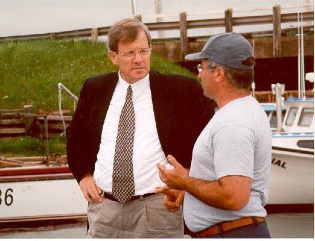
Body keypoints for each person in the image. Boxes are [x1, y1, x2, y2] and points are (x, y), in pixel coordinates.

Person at [66, 17, 215, 238]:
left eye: (143, 51)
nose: (138, 60)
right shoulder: (94, 88)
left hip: (158, 207)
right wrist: (84, 175)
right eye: (129, 53)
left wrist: (188, 178)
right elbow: (76, 136)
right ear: (113, 57)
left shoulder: (181, 89)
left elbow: (209, 139)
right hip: (104, 209)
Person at [155, 32, 272, 238]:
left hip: (232, 233)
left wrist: (184, 182)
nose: (199, 75)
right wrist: (188, 191)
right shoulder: (244, 110)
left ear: (218, 73)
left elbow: (233, 196)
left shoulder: (233, 123)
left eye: (201, 67)